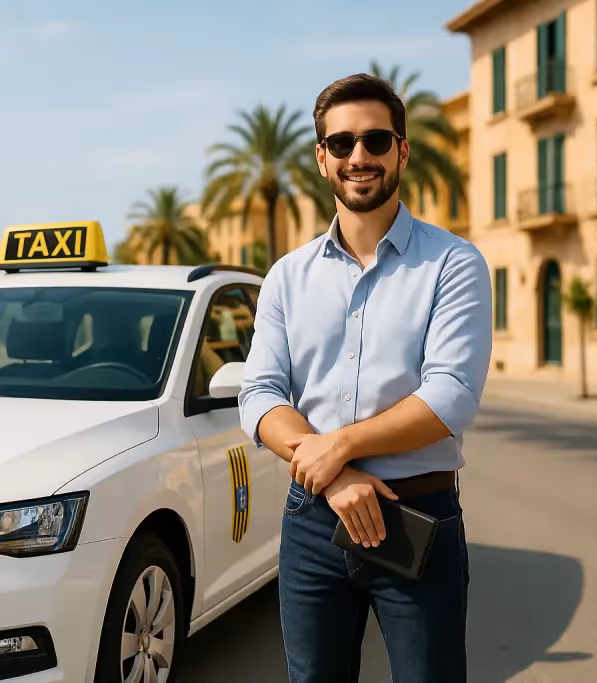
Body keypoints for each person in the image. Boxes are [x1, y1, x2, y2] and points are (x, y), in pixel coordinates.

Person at [238, 73, 492, 682]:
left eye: (377, 141)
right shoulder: (286, 277)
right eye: (343, 143)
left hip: (416, 519)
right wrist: (335, 478)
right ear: (322, 158)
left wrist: (339, 448)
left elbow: (450, 396)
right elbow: (260, 393)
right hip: (313, 522)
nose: (360, 156)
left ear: (402, 151)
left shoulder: (454, 264)